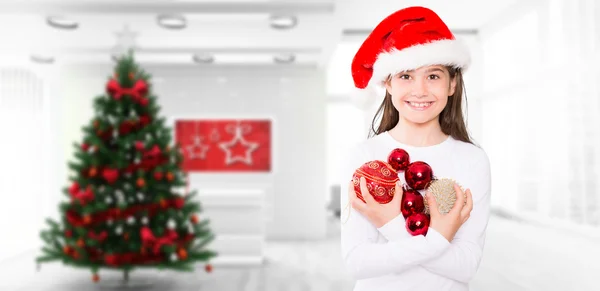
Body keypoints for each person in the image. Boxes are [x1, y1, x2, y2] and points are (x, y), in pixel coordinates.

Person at [339, 6, 492, 291]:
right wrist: (438, 238)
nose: (420, 90)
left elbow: (466, 266)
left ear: (452, 84)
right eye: (406, 76)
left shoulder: (473, 159)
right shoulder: (363, 156)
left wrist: (389, 224)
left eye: (433, 76)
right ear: (387, 83)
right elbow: (357, 262)